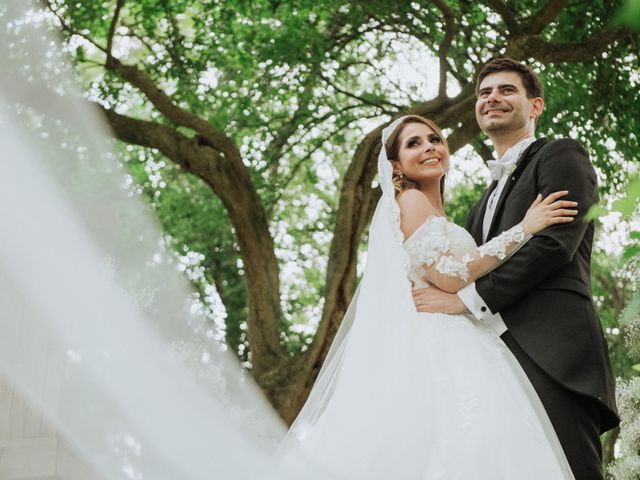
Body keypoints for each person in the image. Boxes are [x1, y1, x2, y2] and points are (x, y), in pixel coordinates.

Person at [281, 114, 579, 479]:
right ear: (395, 165)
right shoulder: (410, 201)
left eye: (434, 139)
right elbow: (450, 276)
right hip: (440, 344)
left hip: (464, 335)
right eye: (414, 143)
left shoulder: (441, 213)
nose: (429, 148)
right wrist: (524, 228)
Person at [412, 58, 620, 480]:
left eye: (506, 90)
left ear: (535, 105)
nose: (492, 98)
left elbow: (555, 246)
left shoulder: (560, 155)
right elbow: (467, 266)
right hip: (489, 364)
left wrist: (464, 302)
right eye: (485, 93)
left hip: (552, 353)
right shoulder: (476, 208)